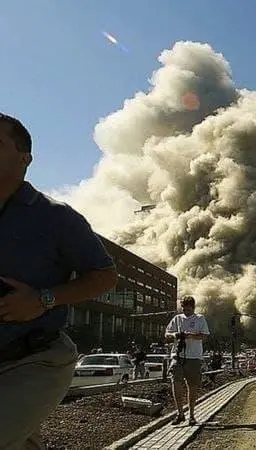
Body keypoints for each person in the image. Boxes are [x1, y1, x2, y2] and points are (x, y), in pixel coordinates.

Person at [0, 113, 118, 449]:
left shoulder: (55, 217)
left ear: (24, 159)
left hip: (33, 359)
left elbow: (105, 276)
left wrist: (43, 299)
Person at [165, 296, 211, 426]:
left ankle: (191, 415)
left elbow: (205, 336)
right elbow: (166, 334)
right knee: (176, 383)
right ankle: (180, 413)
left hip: (194, 357)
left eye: (188, 309)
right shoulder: (177, 319)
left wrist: (190, 335)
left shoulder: (200, 319)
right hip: (178, 356)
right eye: (184, 309)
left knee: (192, 386)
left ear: (193, 308)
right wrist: (175, 335)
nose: (186, 311)